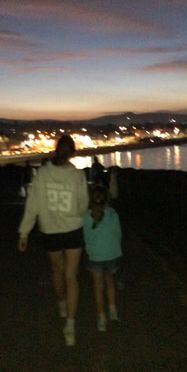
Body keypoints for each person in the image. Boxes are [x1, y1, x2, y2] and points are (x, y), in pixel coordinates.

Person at [18, 135, 89, 346]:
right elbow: (82, 205)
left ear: (56, 150)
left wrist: (24, 233)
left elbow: (33, 204)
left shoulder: (42, 174)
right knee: (71, 276)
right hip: (72, 230)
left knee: (57, 272)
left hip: (49, 232)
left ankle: (61, 303)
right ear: (73, 153)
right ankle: (70, 326)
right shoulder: (77, 176)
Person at [83, 185, 122, 332]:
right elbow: (118, 234)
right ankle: (113, 310)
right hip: (111, 253)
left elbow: (86, 238)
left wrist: (90, 250)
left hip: (95, 256)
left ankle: (101, 318)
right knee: (110, 281)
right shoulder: (113, 213)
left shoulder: (87, 216)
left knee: (98, 287)